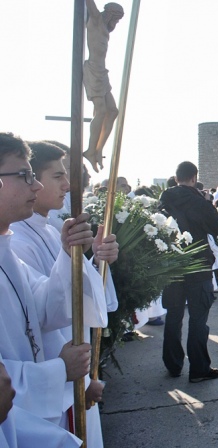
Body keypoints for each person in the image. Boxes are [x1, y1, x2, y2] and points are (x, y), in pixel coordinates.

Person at [10, 141, 118, 445]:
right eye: (56, 176)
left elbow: (61, 305)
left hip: (67, 374)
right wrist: (68, 378)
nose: (67, 185)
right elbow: (45, 328)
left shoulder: (45, 230)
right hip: (51, 388)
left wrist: (95, 259)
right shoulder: (18, 240)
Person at [159, 161, 218, 383]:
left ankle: (173, 364)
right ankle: (199, 368)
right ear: (193, 177)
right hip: (197, 265)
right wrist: (208, 203)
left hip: (172, 265)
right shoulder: (198, 201)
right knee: (198, 318)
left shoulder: (163, 201)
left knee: (174, 315)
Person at [82, 0, 125, 173]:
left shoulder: (105, 28)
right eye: (116, 18)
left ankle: (98, 149)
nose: (116, 23)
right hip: (93, 68)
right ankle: (90, 150)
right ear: (110, 14)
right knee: (100, 110)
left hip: (102, 71)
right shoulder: (96, 20)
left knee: (113, 111)